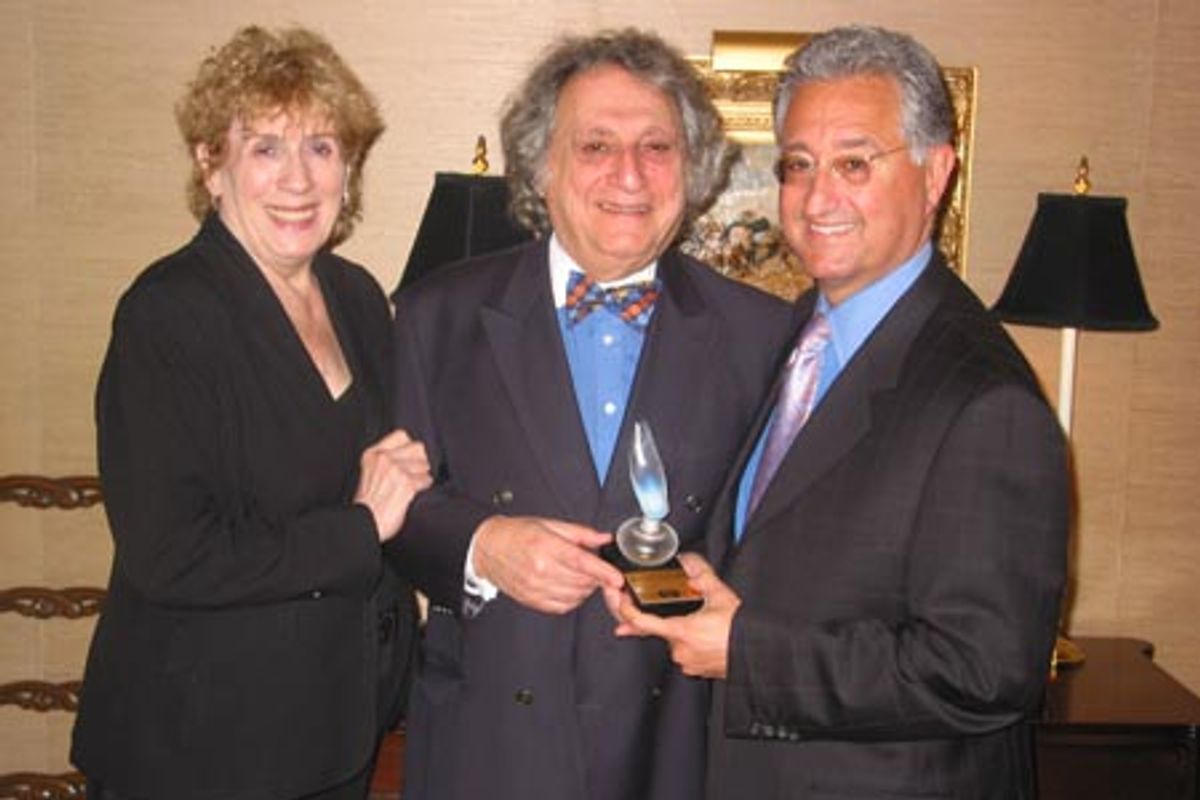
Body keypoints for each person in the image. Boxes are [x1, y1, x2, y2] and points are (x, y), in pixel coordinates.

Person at [614, 25, 1069, 799]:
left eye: (855, 163)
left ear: (936, 176)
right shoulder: (802, 330)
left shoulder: (986, 401)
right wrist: (707, 578)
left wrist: (748, 650)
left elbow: (986, 670)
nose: (818, 199)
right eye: (798, 165)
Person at [388, 28, 794, 800]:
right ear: (543, 165)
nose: (629, 176)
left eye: (657, 147)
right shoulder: (437, 315)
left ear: (695, 168)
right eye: (596, 145)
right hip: (487, 746)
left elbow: (775, 546)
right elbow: (395, 514)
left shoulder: (763, 337)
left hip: (671, 747)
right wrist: (484, 544)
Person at [71, 26, 431, 800]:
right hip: (202, 743)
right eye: (266, 147)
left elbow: (395, 476)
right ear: (211, 164)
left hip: (334, 723)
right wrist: (359, 529)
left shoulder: (359, 297)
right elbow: (170, 554)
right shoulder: (168, 314)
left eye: (323, 148)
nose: (298, 180)